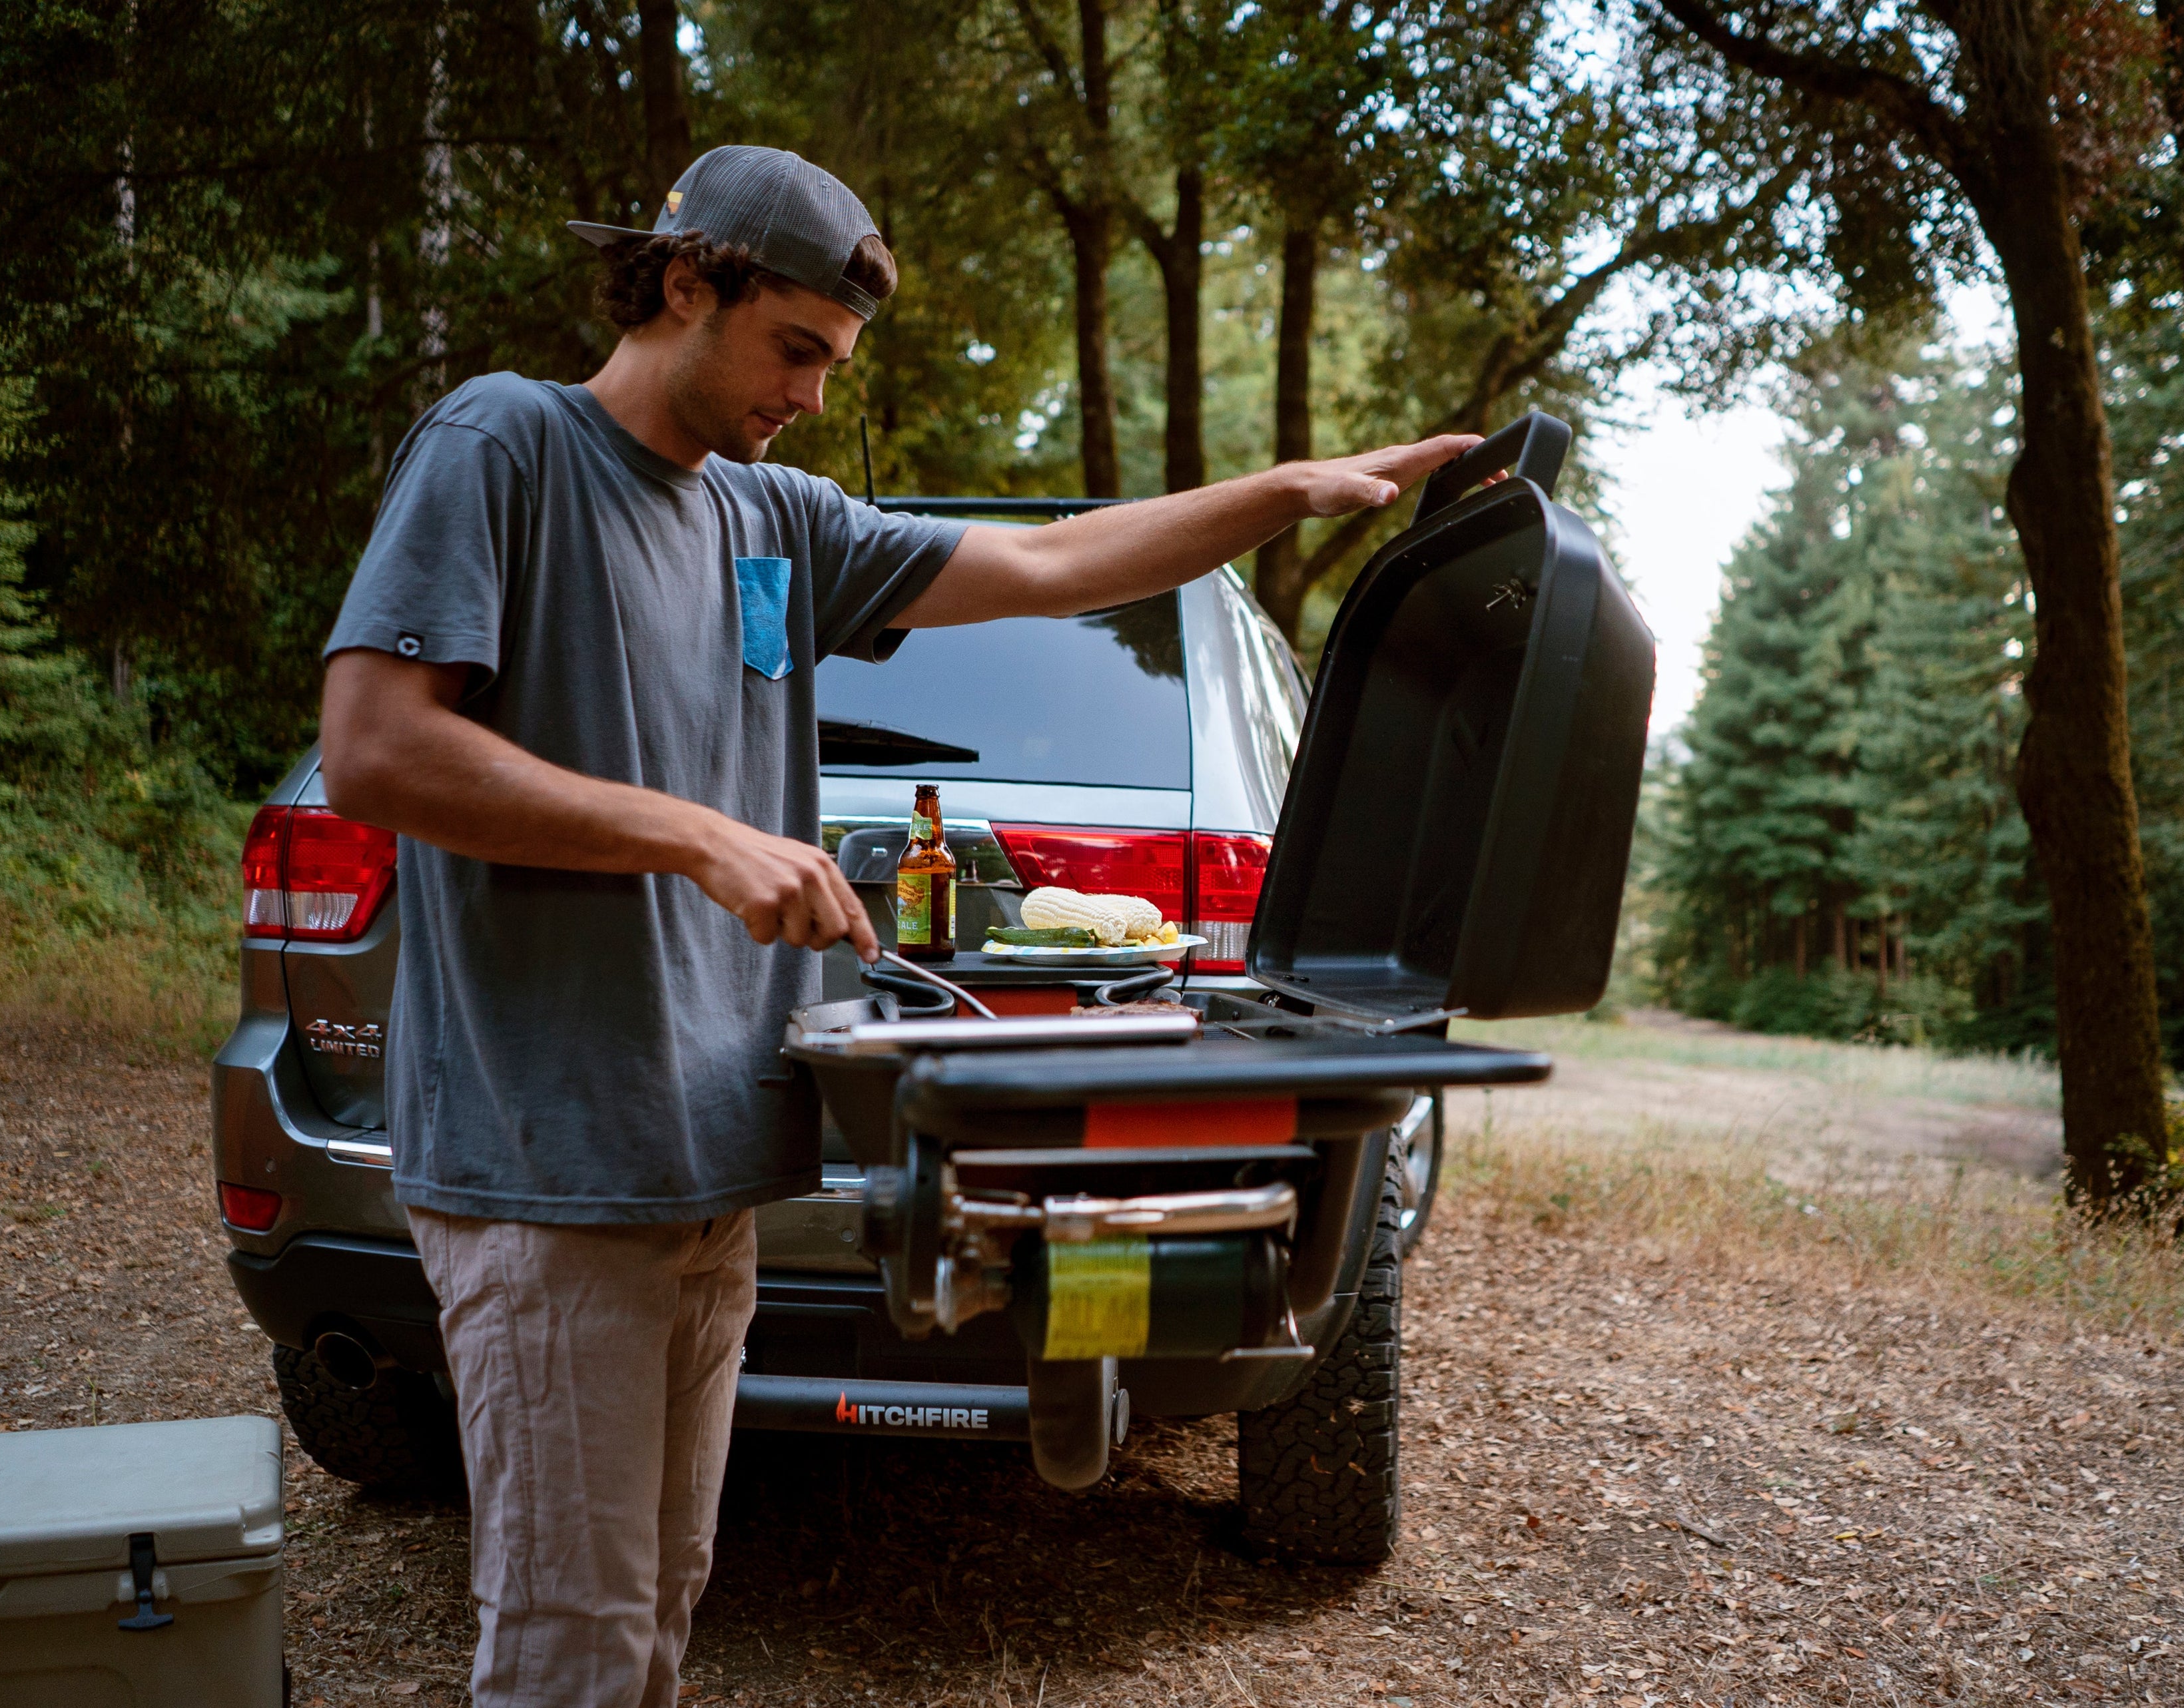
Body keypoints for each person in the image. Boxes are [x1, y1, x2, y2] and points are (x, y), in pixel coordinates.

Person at [315, 143, 1477, 1708]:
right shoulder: (507, 445)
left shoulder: (771, 520)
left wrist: (1289, 492)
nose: (810, 392)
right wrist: (699, 833)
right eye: (794, 346)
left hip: (707, 1177)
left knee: (656, 1612)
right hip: (550, 1167)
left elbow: (1052, 560)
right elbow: (377, 747)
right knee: (568, 1645)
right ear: (686, 282)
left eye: (834, 364)